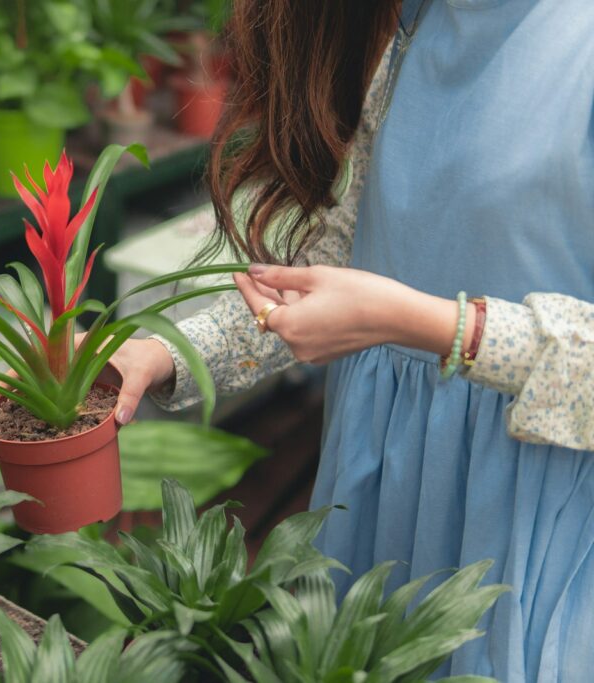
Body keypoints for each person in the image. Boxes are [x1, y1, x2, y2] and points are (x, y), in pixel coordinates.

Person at [105, 1, 594, 680]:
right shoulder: (418, 30)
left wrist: (432, 325)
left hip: (525, 511)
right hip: (381, 480)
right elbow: (339, 261)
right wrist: (165, 352)